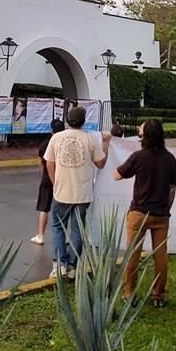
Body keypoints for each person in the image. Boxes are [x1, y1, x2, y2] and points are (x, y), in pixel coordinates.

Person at [115, 119, 176, 308]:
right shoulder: (170, 159)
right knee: (160, 256)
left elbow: (117, 175)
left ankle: (129, 294)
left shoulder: (138, 157)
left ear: (144, 136)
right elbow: (172, 189)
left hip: (139, 213)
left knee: (133, 254)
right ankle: (159, 295)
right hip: (161, 214)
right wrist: (167, 208)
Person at [44, 105, 110, 278]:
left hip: (61, 192)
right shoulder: (90, 140)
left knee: (58, 226)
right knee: (77, 229)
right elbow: (101, 163)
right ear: (83, 121)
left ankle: (59, 265)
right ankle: (73, 266)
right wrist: (107, 144)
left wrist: (54, 182)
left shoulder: (56, 138)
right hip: (83, 193)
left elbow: (49, 163)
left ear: (67, 120)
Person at [31, 119, 65, 245]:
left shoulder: (45, 143)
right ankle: (64, 236)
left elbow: (41, 161)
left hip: (46, 179)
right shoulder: (64, 143)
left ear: (52, 130)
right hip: (62, 177)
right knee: (63, 208)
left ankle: (40, 235)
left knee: (44, 208)